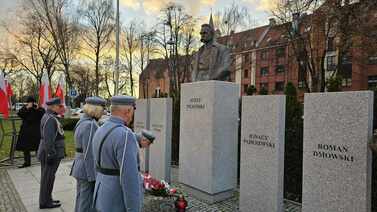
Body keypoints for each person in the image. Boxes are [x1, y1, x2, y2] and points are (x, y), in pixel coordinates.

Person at [92, 95, 141, 212]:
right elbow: (129, 178)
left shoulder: (100, 129)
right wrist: (133, 208)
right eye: (133, 111)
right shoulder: (125, 135)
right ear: (128, 111)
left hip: (101, 192)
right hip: (116, 198)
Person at [70, 97, 106, 212]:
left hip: (80, 167)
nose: (103, 112)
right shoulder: (90, 125)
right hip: (86, 171)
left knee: (81, 199)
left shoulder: (82, 121)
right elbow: (89, 154)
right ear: (95, 109)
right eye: (101, 109)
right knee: (86, 203)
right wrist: (93, 176)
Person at [37, 97, 65, 209]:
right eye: (59, 106)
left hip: (49, 152)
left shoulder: (49, 117)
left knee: (48, 178)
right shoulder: (50, 119)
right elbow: (48, 139)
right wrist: (51, 154)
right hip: (50, 153)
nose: (60, 108)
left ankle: (47, 198)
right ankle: (45, 202)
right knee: (47, 178)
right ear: (53, 106)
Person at [16, 96, 45, 168]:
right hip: (26, 131)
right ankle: (27, 162)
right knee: (26, 148)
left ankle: (41, 160)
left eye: (32, 102)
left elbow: (43, 114)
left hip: (36, 131)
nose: (31, 104)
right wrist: (27, 107)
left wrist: (38, 108)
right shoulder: (25, 108)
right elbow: (19, 114)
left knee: (38, 147)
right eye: (30, 102)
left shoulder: (38, 108)